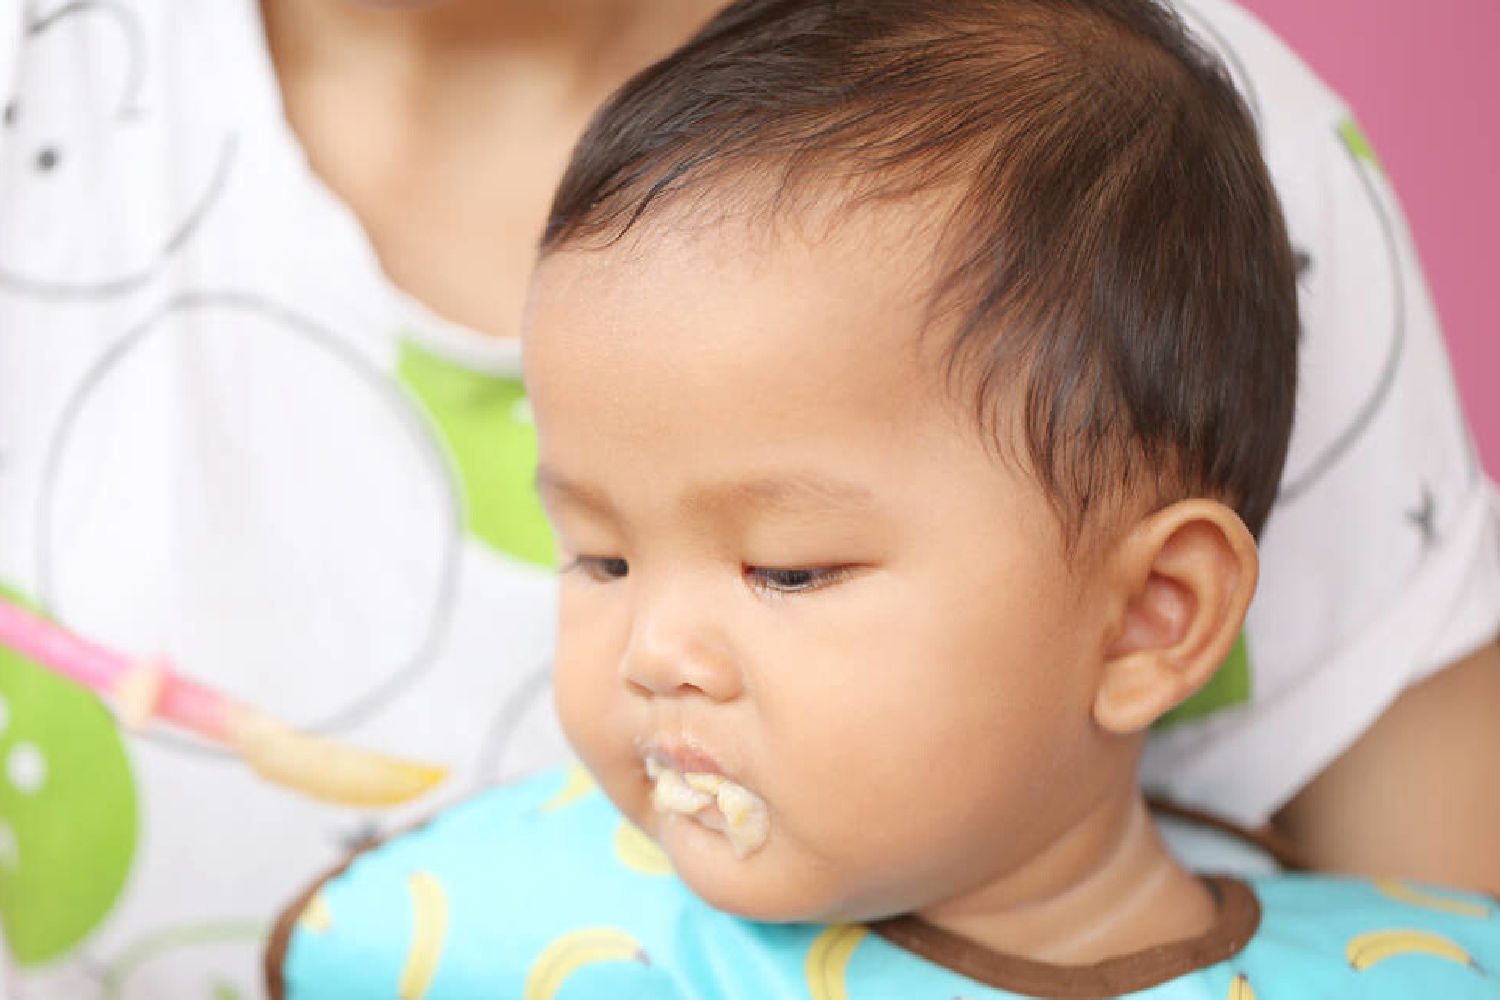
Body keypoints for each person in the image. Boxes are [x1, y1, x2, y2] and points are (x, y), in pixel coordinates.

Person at [1, 0, 1495, 997]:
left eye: (787, 571)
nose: (653, 652)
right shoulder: (488, 932)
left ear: (1152, 616)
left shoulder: (1414, 970)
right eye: (598, 562)